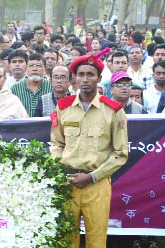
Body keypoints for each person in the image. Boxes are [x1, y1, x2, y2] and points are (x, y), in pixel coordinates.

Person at [50, 52, 128, 248]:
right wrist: (61, 169)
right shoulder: (63, 107)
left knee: (97, 239)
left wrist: (92, 176)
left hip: (97, 184)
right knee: (65, 239)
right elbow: (57, 144)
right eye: (81, 74)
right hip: (67, 184)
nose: (85, 79)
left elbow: (120, 153)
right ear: (74, 78)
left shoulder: (113, 110)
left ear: (99, 78)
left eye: (90, 75)